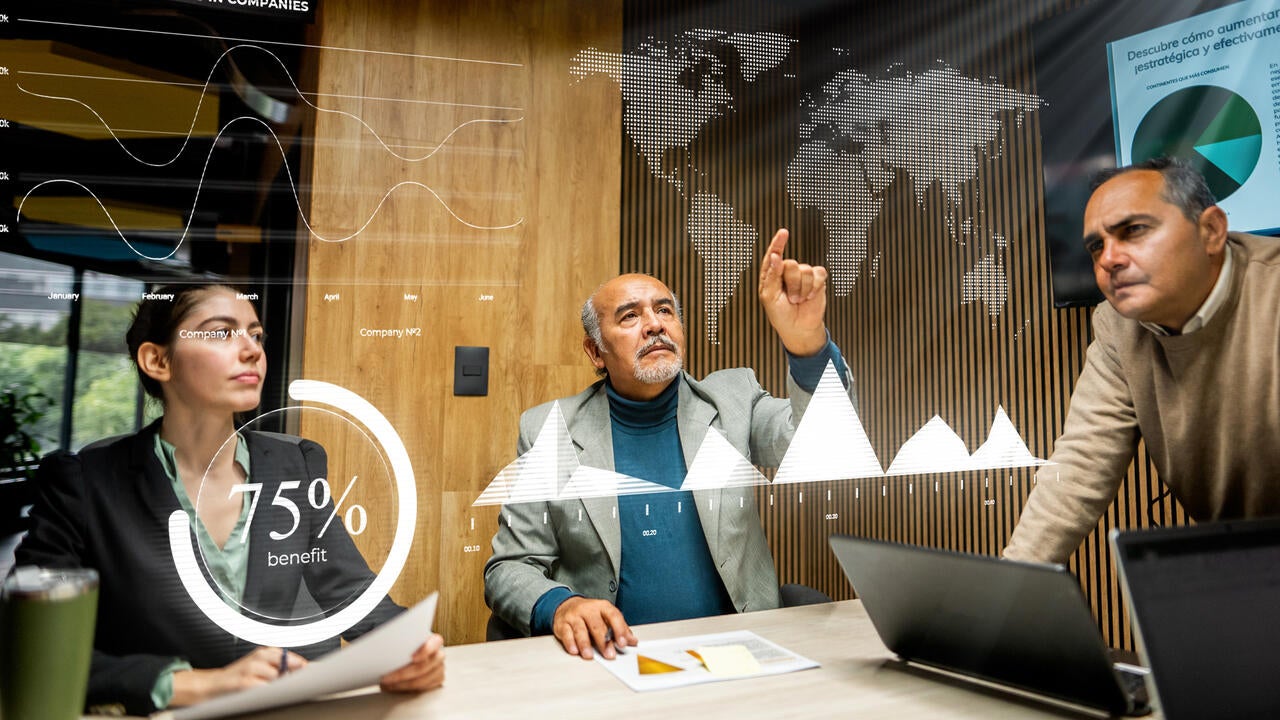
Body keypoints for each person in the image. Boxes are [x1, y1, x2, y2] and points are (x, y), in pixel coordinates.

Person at [15, 284, 444, 715]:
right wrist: (194, 684)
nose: (252, 350)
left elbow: (349, 591)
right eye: (222, 333)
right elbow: (29, 644)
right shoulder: (84, 484)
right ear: (157, 360)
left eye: (256, 335)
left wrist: (410, 648)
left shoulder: (295, 465)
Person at [484, 228, 855, 659]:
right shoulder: (548, 430)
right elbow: (510, 567)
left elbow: (825, 444)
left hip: (733, 655)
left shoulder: (734, 399)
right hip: (612, 661)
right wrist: (563, 605)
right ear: (595, 351)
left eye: (665, 311)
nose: (655, 324)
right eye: (629, 317)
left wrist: (807, 345)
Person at [1004, 157, 1280, 563]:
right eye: (1096, 245)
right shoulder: (1117, 325)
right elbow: (1080, 466)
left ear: (1211, 231)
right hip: (1245, 565)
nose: (1108, 259)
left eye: (1133, 230)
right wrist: (1000, 599)